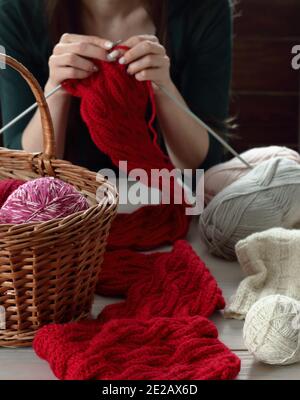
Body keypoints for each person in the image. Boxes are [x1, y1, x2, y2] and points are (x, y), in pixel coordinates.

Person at [0, 0, 232, 173]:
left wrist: (163, 88)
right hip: (65, 216)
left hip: (173, 201)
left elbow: (202, 163)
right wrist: (57, 90)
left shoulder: (204, 7)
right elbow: (24, 169)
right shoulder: (15, 11)